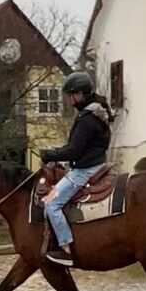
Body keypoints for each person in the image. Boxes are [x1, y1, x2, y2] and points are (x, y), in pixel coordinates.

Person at [40, 71, 114, 266]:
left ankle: (65, 248)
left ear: (79, 94)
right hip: (95, 163)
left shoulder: (87, 119)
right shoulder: (97, 114)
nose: (69, 100)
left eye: (70, 95)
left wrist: (50, 155)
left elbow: (74, 151)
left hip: (84, 171)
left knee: (51, 203)